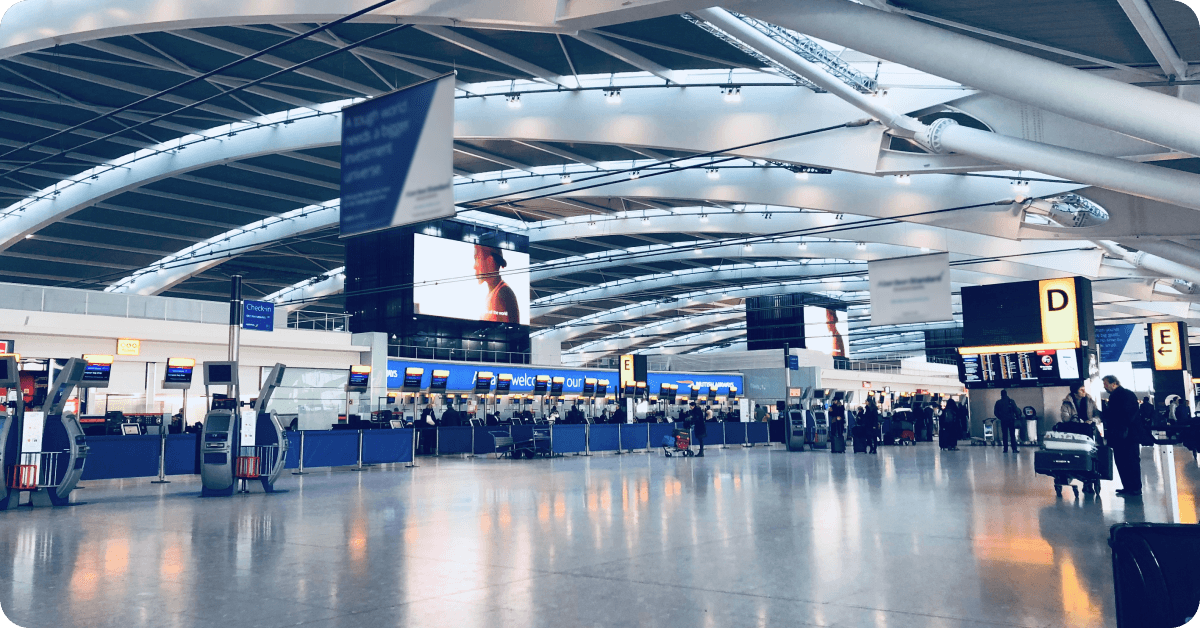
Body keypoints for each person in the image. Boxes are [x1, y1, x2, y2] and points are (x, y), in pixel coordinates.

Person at [1102, 375, 1142, 496]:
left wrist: (1110, 418)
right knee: (1124, 461)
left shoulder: (1123, 395)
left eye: (1106, 384)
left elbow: (1125, 415)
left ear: (1114, 384)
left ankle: (1134, 487)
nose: (1104, 387)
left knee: (1128, 460)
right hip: (1124, 435)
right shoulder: (1122, 395)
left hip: (1126, 435)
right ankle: (1129, 486)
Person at [1059, 383, 1102, 494]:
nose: (1084, 392)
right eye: (1081, 390)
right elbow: (1065, 418)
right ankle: (1080, 479)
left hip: (1090, 431)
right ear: (1075, 392)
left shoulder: (1089, 401)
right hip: (1075, 433)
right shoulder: (1067, 403)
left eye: (1084, 389)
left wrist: (1092, 421)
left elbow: (1098, 415)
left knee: (1092, 456)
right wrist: (1077, 421)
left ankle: (1089, 483)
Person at [474, 245, 521, 323]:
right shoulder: (494, 293)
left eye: (476, 259)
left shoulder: (503, 293)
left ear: (490, 261)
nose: (474, 266)